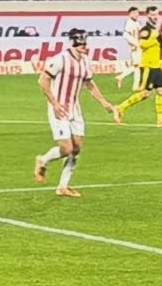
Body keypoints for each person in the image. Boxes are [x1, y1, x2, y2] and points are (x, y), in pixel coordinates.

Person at [34, 28, 122, 197]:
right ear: (73, 43)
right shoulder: (60, 59)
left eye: (85, 43)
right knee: (66, 148)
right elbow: (42, 80)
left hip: (75, 110)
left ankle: (63, 186)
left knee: (77, 149)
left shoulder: (85, 61)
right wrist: (54, 102)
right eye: (81, 43)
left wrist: (105, 103)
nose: (84, 46)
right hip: (59, 109)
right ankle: (42, 160)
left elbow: (89, 83)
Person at [117, 19, 162, 127]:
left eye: (156, 15)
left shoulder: (156, 33)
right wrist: (155, 39)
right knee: (145, 94)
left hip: (157, 66)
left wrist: (159, 40)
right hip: (148, 67)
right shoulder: (146, 30)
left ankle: (161, 121)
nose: (155, 17)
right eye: (153, 15)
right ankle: (120, 108)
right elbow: (142, 44)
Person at [116, 4, 143, 91]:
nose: (137, 15)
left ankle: (132, 84)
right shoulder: (129, 22)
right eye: (134, 13)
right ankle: (133, 84)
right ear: (130, 14)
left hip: (139, 46)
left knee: (137, 66)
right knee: (137, 65)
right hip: (135, 47)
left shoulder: (137, 23)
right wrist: (134, 44)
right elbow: (126, 35)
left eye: (137, 13)